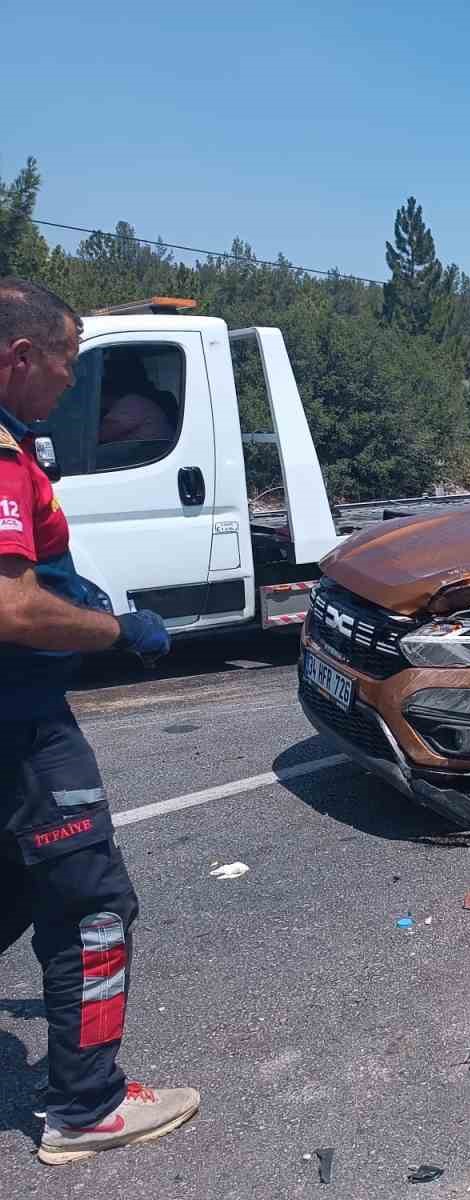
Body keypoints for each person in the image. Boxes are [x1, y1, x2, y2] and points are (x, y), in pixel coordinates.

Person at [0, 278, 199, 1165]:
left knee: (13, 882)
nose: (73, 385)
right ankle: (88, 1106)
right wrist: (117, 629)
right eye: (68, 364)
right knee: (92, 903)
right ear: (21, 357)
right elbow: (7, 608)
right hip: (21, 720)